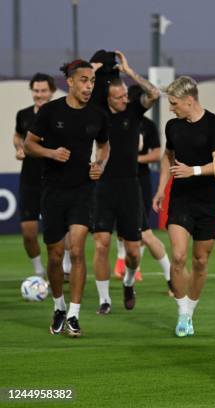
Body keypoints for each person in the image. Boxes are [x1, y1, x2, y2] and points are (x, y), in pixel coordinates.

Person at [24, 59, 110, 337]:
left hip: (83, 190)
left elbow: (105, 145)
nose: (89, 86)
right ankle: (58, 306)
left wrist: (100, 164)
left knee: (76, 249)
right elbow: (29, 144)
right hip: (52, 191)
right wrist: (51, 153)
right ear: (70, 82)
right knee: (55, 255)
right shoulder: (50, 112)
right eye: (84, 80)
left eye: (92, 81)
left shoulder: (97, 115)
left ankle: (74, 315)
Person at [152, 76, 215, 337]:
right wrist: (161, 189)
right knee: (180, 256)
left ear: (189, 100)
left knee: (200, 261)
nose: (171, 108)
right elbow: (167, 158)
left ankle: (191, 311)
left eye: (174, 103)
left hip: (208, 202)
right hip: (180, 199)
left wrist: (192, 170)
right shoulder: (173, 126)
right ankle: (182, 312)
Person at [92, 51, 161, 314]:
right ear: (108, 98)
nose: (124, 100)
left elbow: (154, 94)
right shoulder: (97, 113)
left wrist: (130, 72)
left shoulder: (133, 110)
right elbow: (76, 95)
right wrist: (93, 69)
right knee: (101, 243)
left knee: (133, 251)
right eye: (118, 97)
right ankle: (104, 300)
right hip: (102, 187)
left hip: (130, 187)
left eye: (125, 96)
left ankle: (129, 283)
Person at [113, 85, 173, 297]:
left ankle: (170, 277)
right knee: (125, 233)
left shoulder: (146, 125)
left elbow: (157, 154)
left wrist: (132, 159)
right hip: (118, 182)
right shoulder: (117, 120)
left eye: (128, 96)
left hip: (139, 182)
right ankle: (127, 269)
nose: (125, 100)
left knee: (144, 233)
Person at [13, 73, 56, 278]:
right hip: (30, 181)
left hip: (55, 180)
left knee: (58, 232)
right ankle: (39, 272)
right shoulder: (23, 115)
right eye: (36, 91)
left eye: (43, 91)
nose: (39, 94)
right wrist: (20, 148)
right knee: (29, 233)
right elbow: (18, 135)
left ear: (52, 92)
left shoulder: (60, 116)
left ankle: (63, 267)